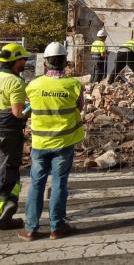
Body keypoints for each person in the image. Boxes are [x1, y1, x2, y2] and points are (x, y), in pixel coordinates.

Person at [19, 42, 84, 241]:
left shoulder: (33, 85)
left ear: (46, 63)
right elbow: (80, 108)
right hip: (64, 144)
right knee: (59, 184)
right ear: (65, 62)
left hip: (40, 144)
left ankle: (31, 228)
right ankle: (57, 227)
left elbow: (26, 110)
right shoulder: (73, 85)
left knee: (36, 184)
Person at [0, 43, 30, 230]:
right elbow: (18, 113)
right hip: (8, 132)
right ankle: (6, 212)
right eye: (23, 59)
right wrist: (32, 108)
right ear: (15, 61)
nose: (25, 62)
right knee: (9, 170)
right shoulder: (15, 82)